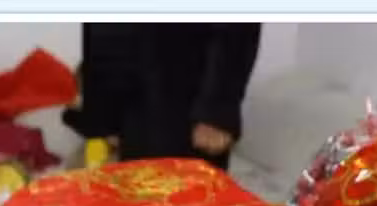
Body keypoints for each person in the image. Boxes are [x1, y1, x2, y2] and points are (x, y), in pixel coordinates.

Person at [72, 23, 262, 171]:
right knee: (134, 193)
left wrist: (216, 109)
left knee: (183, 197)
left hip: (182, 94)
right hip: (130, 93)